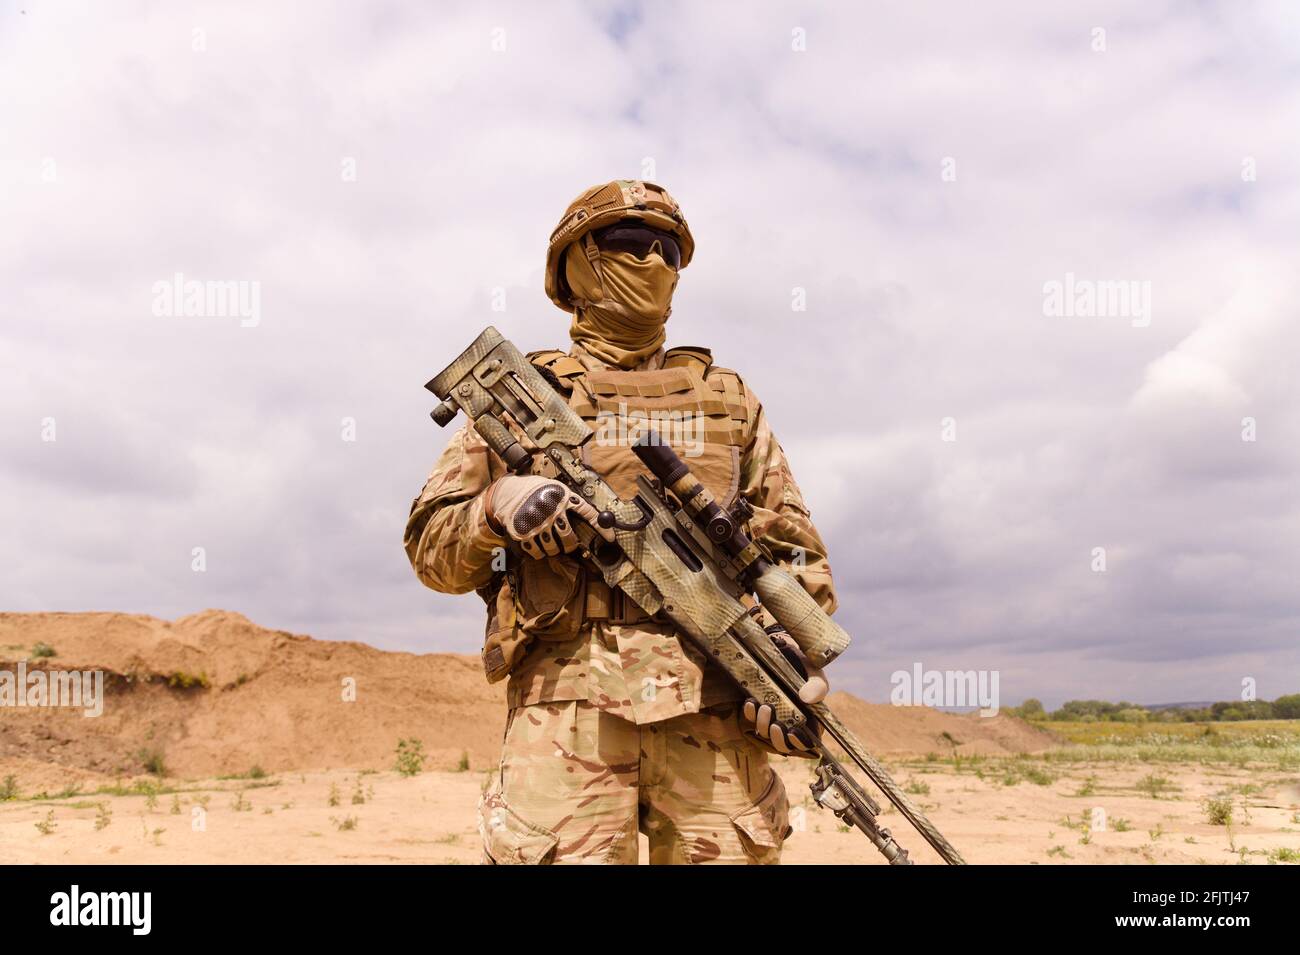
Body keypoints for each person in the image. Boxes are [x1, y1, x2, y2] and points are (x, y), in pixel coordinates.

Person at [404, 179, 839, 864]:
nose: (655, 262)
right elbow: (432, 551)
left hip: (719, 715)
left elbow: (791, 551)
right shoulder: (520, 399)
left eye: (670, 250)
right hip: (566, 721)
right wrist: (498, 508)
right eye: (631, 242)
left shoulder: (728, 401)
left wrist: (789, 668)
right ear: (575, 260)